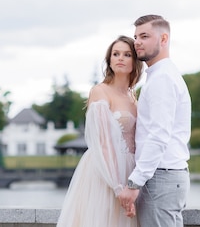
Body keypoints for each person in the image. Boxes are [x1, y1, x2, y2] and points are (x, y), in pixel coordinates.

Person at [56, 35, 144, 227]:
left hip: (130, 171)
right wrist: (117, 186)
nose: (120, 58)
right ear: (109, 60)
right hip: (105, 172)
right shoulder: (100, 91)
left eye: (127, 54)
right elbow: (102, 142)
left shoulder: (133, 97)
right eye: (116, 54)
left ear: (135, 61)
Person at [118, 15, 192, 226]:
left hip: (161, 177)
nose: (137, 42)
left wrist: (134, 184)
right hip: (165, 177)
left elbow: (159, 135)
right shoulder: (160, 76)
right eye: (135, 37)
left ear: (163, 39)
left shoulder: (163, 79)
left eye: (144, 36)